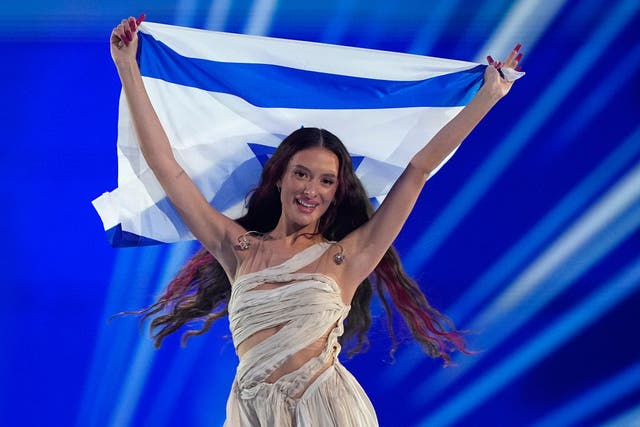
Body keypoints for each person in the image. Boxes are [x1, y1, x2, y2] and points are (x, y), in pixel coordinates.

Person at [110, 15, 522, 427]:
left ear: (336, 193)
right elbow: (167, 168)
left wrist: (488, 96)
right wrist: (128, 66)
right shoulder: (239, 249)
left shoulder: (347, 257)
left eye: (326, 181)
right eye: (302, 174)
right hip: (253, 415)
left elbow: (417, 170)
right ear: (280, 178)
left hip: (328, 411)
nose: (312, 189)